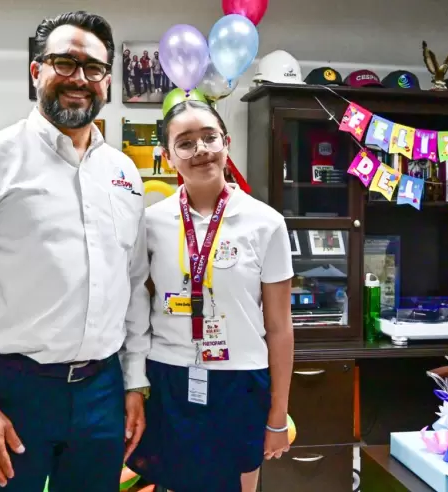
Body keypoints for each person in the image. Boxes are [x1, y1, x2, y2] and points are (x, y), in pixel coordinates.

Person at [0, 11, 150, 491]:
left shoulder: (124, 173)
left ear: (107, 81)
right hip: (12, 391)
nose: (80, 78)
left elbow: (132, 287)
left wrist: (133, 382)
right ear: (36, 71)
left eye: (94, 68)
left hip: (102, 391)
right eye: (65, 63)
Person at [127, 100, 294, 492]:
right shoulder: (150, 223)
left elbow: (279, 327)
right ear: (168, 157)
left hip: (240, 379)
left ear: (226, 143)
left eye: (209, 138)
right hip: (169, 377)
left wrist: (278, 415)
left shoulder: (266, 223)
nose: (200, 149)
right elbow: (137, 311)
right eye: (185, 143)